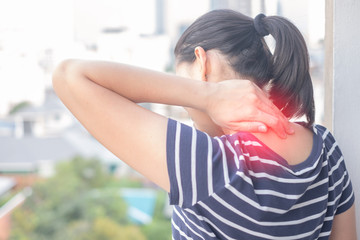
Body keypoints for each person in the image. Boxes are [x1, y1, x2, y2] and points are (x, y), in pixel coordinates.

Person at [52, 9, 357, 240]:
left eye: (180, 78)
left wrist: (208, 96)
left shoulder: (207, 165)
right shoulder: (325, 148)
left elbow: (70, 76)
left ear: (202, 63)